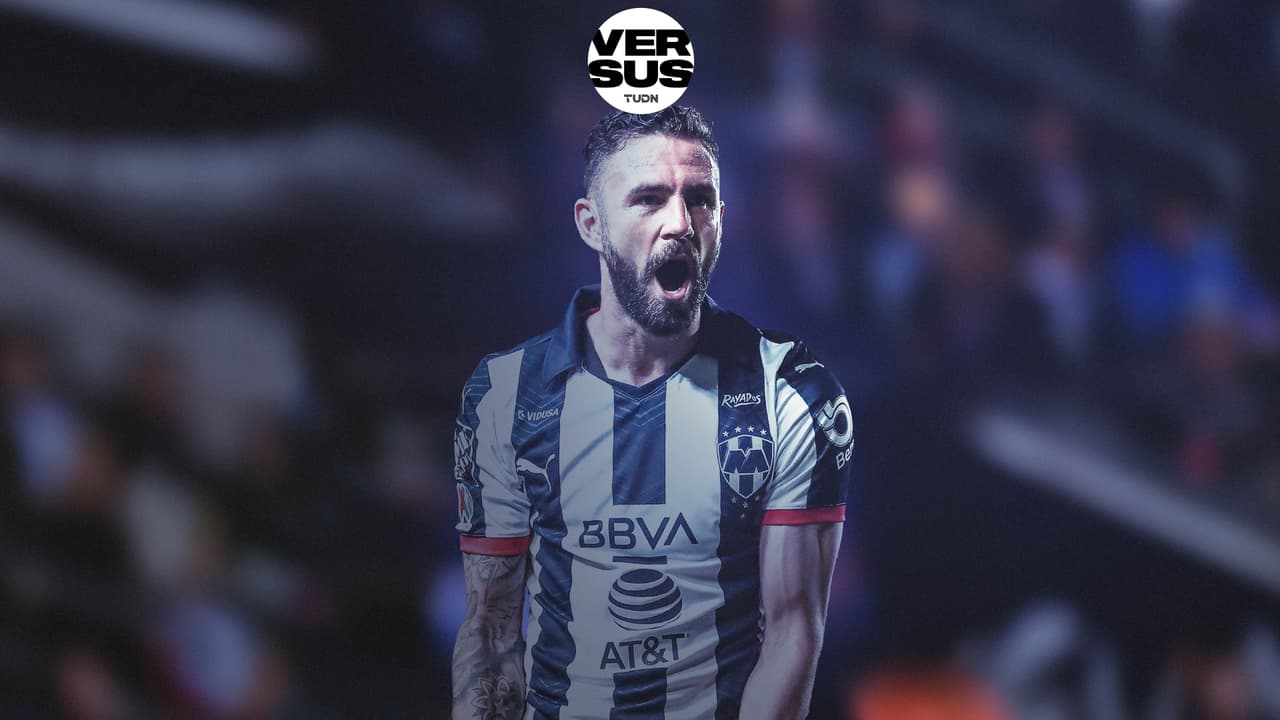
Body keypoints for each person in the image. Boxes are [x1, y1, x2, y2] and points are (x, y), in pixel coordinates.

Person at [451, 106, 853, 719]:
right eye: (648, 199)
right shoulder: (506, 395)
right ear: (592, 225)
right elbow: (490, 629)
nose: (680, 223)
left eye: (699, 200)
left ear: (721, 219)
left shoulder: (790, 394)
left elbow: (791, 632)